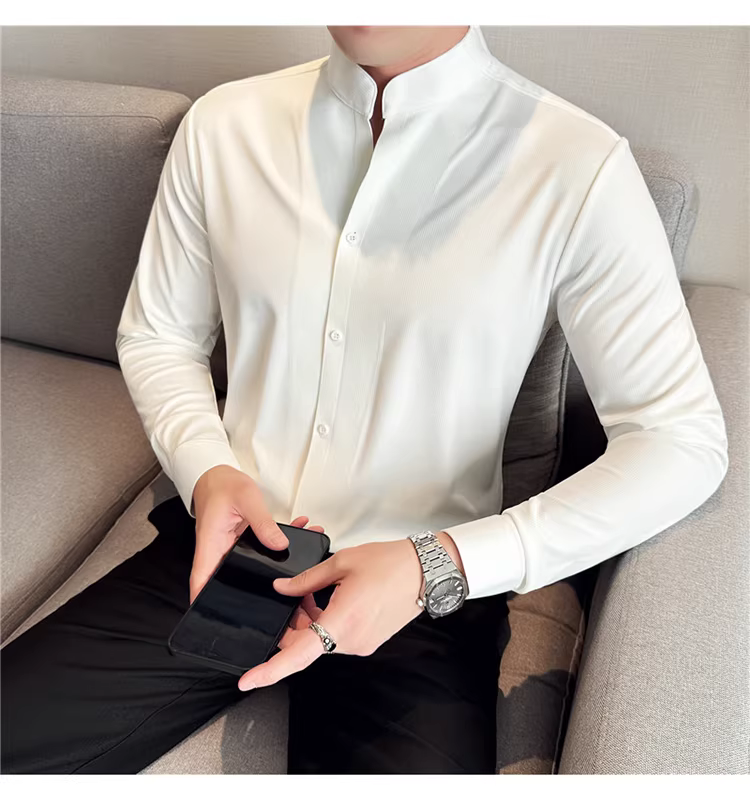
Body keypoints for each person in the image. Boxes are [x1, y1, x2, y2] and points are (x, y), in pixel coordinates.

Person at [1, 24, 728, 775]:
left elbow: (681, 439)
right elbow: (159, 334)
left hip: (423, 595)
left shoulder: (578, 165)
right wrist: (205, 469)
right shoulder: (225, 125)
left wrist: (441, 563)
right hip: (226, 547)